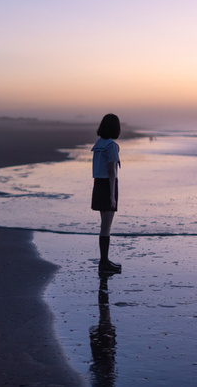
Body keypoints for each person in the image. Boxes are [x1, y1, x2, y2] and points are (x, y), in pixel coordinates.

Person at [91, 114, 122, 274]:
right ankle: (104, 263)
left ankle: (105, 261)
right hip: (107, 185)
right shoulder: (111, 145)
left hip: (98, 184)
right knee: (106, 226)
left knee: (104, 225)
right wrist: (112, 196)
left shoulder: (99, 144)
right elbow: (111, 170)